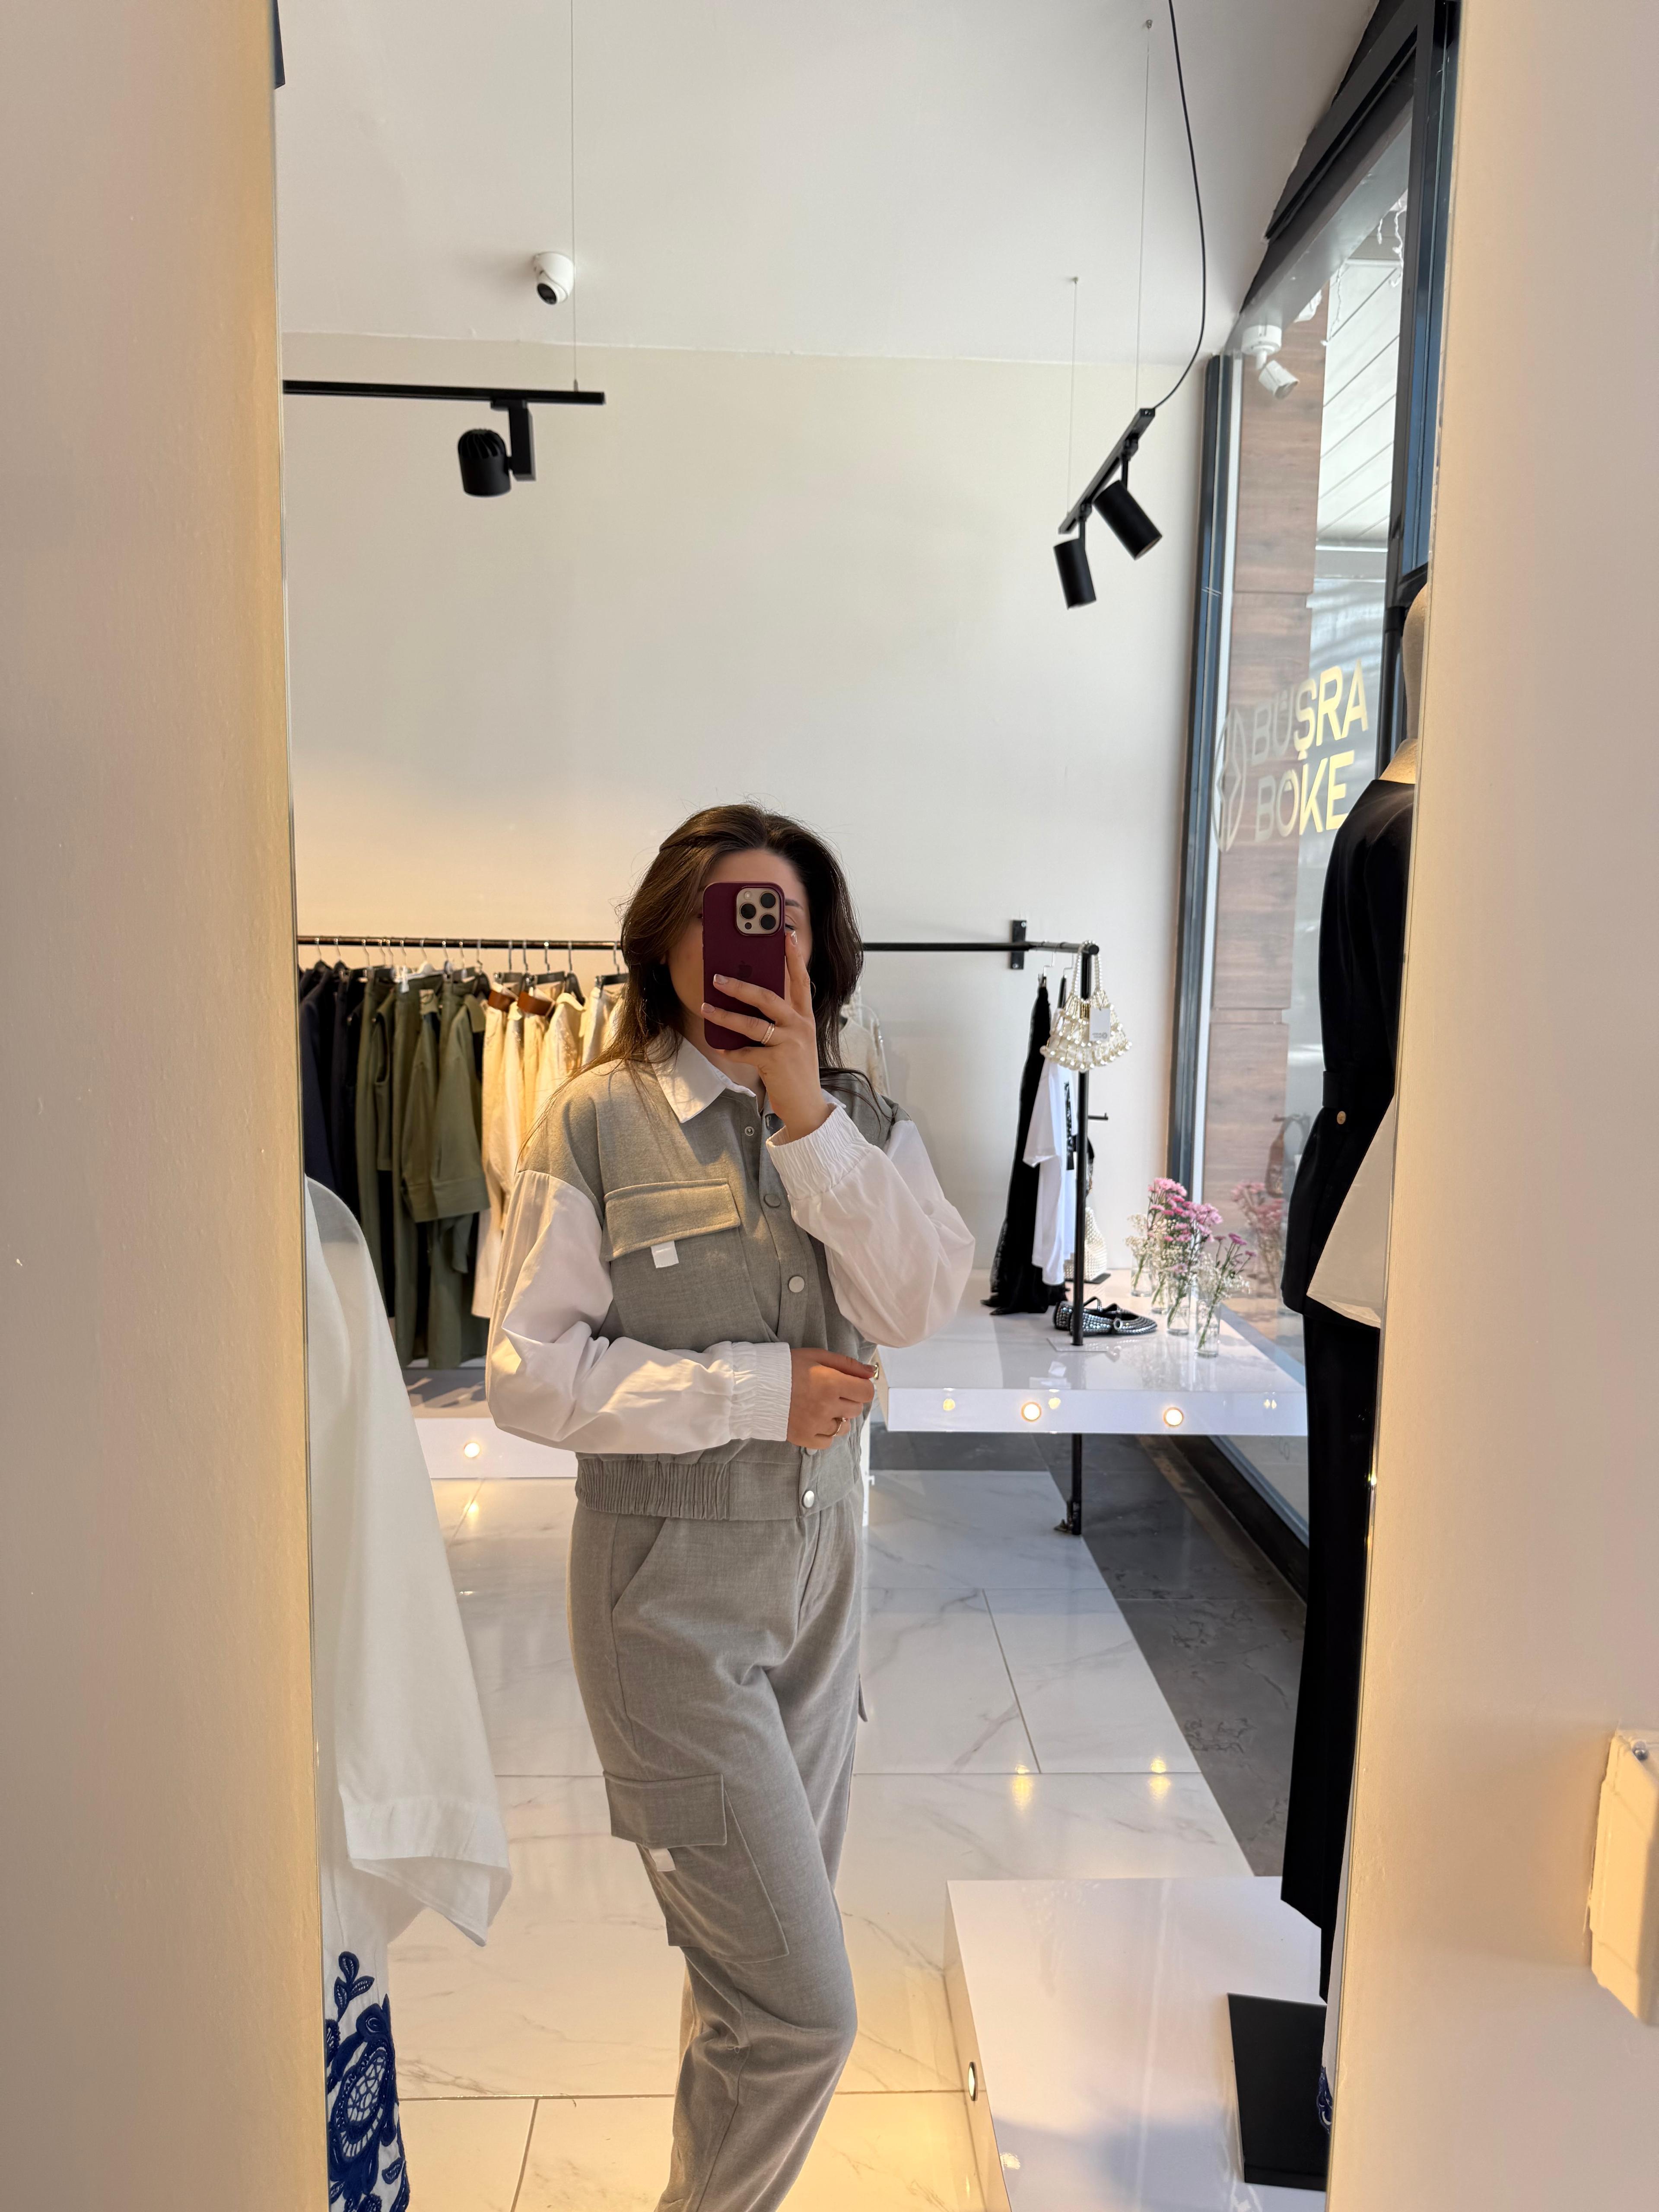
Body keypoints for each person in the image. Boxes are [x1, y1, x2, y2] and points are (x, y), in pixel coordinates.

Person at [486, 804, 974, 2212]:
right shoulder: (595, 1120)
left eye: (787, 920)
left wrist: (808, 1115)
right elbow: (527, 1375)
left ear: (823, 948)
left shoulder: (864, 1123)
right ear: (670, 942)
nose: (758, 947)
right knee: (802, 2013)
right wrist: (754, 1392)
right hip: (666, 1614)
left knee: (744, 1990)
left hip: (821, 1600)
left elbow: (917, 1303)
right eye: (729, 916)